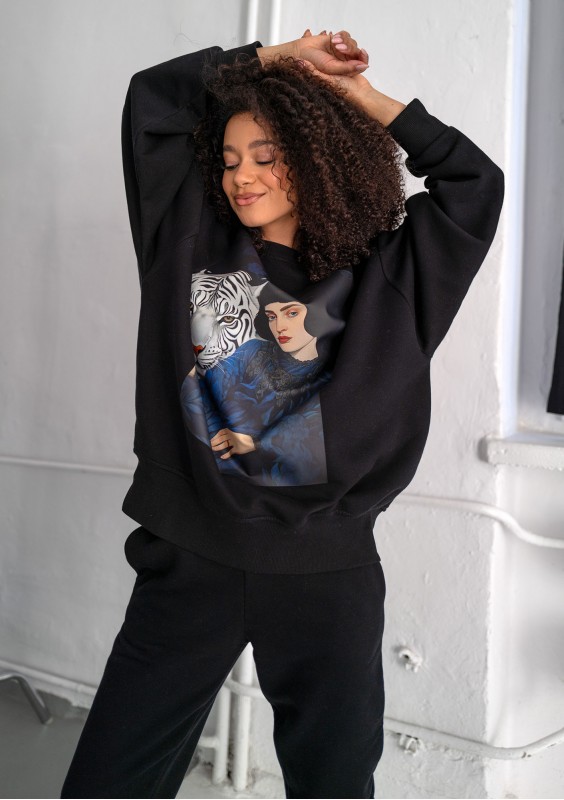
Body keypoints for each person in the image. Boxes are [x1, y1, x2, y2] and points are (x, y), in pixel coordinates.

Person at [61, 27, 504, 799]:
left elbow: (475, 184)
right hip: (190, 560)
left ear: (315, 156)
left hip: (325, 575)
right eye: (230, 160)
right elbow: (152, 100)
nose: (242, 177)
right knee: (108, 782)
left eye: (266, 156)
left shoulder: (393, 278)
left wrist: (363, 98)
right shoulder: (185, 237)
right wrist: (277, 58)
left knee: (333, 785)